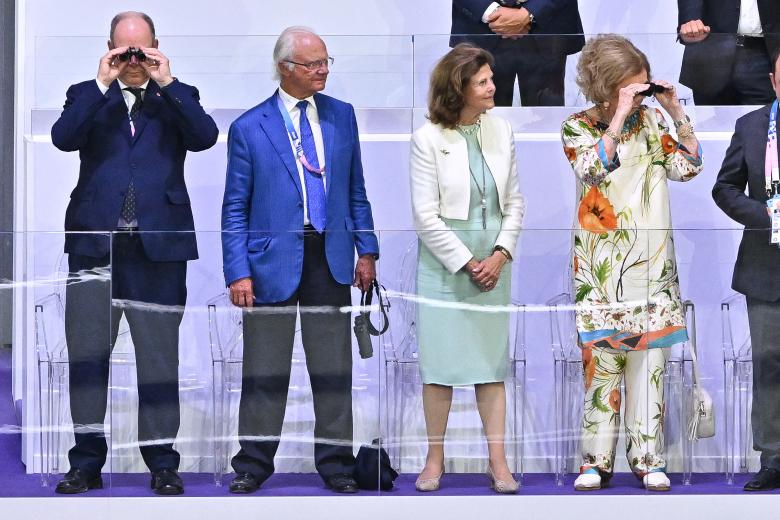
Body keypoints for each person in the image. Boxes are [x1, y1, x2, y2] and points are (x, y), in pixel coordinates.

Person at [50, 11, 218, 495]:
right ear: (108, 50)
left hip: (158, 252)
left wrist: (167, 82)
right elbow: (64, 139)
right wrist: (103, 85)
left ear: (157, 47)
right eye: (123, 52)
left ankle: (163, 461)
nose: (132, 61)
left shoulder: (178, 96)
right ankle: (85, 462)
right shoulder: (86, 94)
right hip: (94, 248)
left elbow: (204, 137)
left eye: (141, 51)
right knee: (87, 358)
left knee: (159, 360)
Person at [221, 26, 379, 495]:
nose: (323, 70)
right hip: (269, 262)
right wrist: (238, 270)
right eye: (313, 64)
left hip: (329, 257)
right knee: (264, 369)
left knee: (333, 369)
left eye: (326, 61)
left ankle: (336, 465)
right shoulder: (250, 127)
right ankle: (252, 463)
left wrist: (366, 248)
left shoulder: (341, 117)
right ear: (285, 68)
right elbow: (235, 206)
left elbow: (355, 190)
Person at [560, 34, 702, 492]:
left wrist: (675, 111)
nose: (639, 95)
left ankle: (648, 459)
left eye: (641, 86)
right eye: (630, 87)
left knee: (649, 366)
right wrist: (619, 115)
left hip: (652, 264)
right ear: (605, 85)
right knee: (601, 367)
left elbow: (689, 168)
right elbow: (592, 169)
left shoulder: (653, 121)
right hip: (601, 267)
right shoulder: (576, 127)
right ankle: (595, 461)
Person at [409, 43, 525, 494]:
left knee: (490, 365)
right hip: (445, 263)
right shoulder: (427, 139)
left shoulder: (502, 130)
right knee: (439, 368)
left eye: (491, 78)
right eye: (483, 81)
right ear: (458, 88)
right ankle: (434, 458)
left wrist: (499, 255)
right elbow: (425, 216)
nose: (493, 86)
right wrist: (467, 261)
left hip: (494, 258)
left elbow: (514, 202)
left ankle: (498, 462)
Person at [713, 48, 780, 492]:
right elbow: (725, 187)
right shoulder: (752, 126)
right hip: (766, 269)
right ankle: (774, 456)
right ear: (774, 80)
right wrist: (767, 216)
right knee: (770, 363)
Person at [450, 0, 584, 106]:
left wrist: (533, 11)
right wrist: (491, 12)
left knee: (544, 123)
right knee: (480, 122)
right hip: (478, 28)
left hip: (547, 26)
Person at [678, 0, 780, 105]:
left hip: (764, 53)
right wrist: (690, 23)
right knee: (710, 119)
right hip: (710, 51)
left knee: (762, 118)